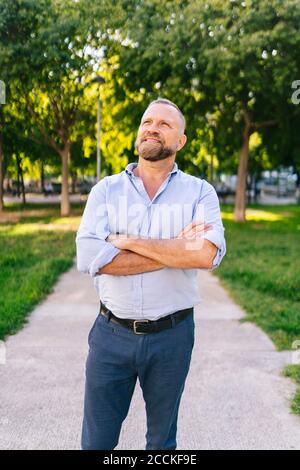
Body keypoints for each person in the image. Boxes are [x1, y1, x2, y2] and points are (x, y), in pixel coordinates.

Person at [76, 98, 226, 450]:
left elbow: (205, 253)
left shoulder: (200, 192)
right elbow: (90, 257)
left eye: (164, 124)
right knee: (96, 443)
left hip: (171, 337)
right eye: (147, 121)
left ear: (181, 141)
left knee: (162, 442)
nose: (152, 128)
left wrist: (126, 242)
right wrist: (175, 249)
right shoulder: (106, 190)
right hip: (110, 335)